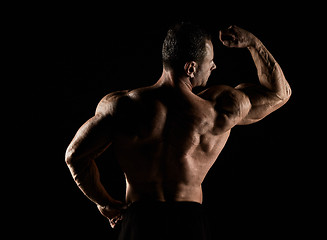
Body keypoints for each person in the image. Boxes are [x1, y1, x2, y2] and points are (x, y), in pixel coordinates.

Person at [65, 22, 291, 239]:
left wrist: (105, 202)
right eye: (210, 61)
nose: (214, 66)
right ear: (191, 67)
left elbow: (75, 156)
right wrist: (253, 43)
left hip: (140, 220)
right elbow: (280, 93)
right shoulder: (219, 108)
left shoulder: (122, 107)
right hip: (189, 223)